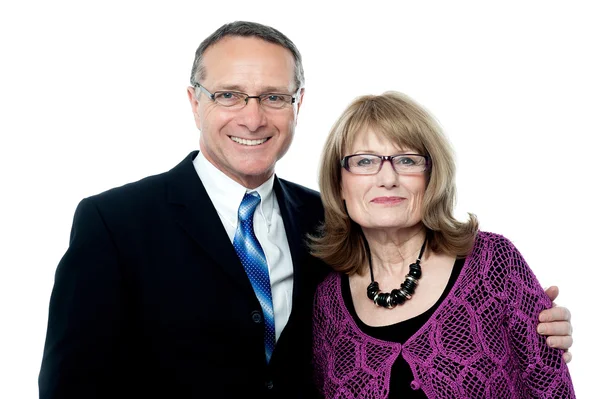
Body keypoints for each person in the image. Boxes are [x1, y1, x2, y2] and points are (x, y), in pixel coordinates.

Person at [38, 21, 573, 399]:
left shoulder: (330, 221)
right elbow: (70, 386)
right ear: (193, 101)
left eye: (273, 96)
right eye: (229, 95)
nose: (253, 117)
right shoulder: (115, 223)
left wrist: (529, 331)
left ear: (297, 105)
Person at [310, 91, 575, 398]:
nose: (387, 178)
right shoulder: (327, 301)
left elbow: (552, 388)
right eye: (364, 161)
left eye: (407, 160)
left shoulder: (492, 263)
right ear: (339, 183)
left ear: (431, 177)